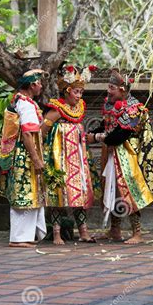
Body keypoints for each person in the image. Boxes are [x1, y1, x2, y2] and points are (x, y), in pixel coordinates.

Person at [87, 69, 153, 244]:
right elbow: (106, 126)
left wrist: (96, 137)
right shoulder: (110, 104)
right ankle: (115, 230)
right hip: (110, 153)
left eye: (112, 88)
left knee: (128, 191)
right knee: (112, 189)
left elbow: (119, 136)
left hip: (127, 154)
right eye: (108, 87)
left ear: (122, 89)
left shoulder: (134, 109)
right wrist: (93, 133)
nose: (108, 91)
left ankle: (137, 232)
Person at [0, 69, 48, 248]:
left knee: (29, 193)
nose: (42, 87)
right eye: (40, 83)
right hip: (23, 154)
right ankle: (19, 238)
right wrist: (36, 159)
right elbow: (28, 135)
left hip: (19, 153)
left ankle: (26, 235)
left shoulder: (19, 100)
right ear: (32, 85)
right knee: (24, 194)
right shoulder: (26, 105)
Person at [42, 65, 99, 245]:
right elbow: (42, 130)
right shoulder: (57, 108)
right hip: (59, 156)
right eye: (76, 92)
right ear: (67, 91)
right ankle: (57, 233)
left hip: (78, 157)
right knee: (59, 191)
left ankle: (83, 231)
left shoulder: (79, 107)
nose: (79, 96)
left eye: (81, 92)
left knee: (79, 190)